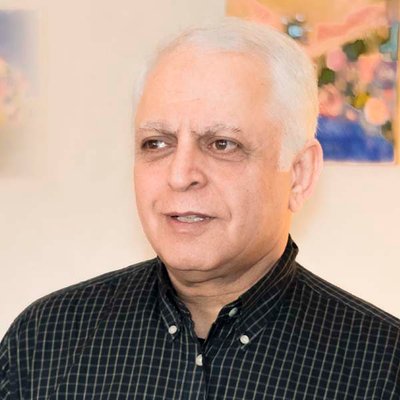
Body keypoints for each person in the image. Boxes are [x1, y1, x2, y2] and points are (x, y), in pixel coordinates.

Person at [1, 18, 399, 399]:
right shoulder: (43, 344)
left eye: (222, 144)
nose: (180, 175)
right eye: (157, 143)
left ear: (298, 174)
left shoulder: (383, 369)